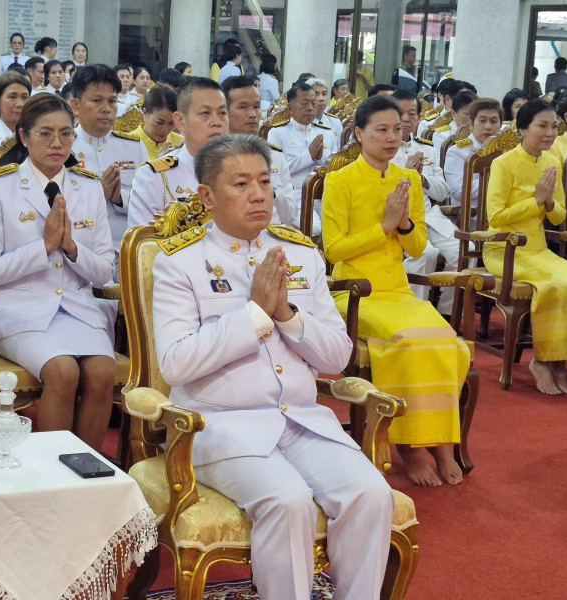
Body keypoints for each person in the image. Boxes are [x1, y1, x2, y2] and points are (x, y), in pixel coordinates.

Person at [152, 133, 393, 600]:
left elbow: (337, 358)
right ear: (207, 196)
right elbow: (176, 363)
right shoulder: (180, 263)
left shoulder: (300, 255)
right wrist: (257, 315)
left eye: (264, 181)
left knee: (371, 494)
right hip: (221, 425)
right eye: (241, 184)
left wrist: (287, 315)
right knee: (288, 501)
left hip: (302, 420)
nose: (259, 194)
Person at [323, 95, 471, 487]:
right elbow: (333, 250)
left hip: (398, 292)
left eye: (397, 129)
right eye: (382, 130)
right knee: (407, 340)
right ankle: (409, 445)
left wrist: (403, 225)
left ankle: (440, 440)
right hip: (356, 292)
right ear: (359, 134)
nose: (392, 138)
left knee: (446, 339)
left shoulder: (408, 180)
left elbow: (419, 248)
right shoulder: (340, 180)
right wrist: (385, 225)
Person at [0, 93, 115, 448]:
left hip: (78, 310)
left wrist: (71, 248)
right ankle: (51, 468)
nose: (57, 143)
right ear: (24, 137)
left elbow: (103, 272)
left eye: (66, 134)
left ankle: (88, 466)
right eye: (46, 134)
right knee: (62, 371)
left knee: (102, 372)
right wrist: (44, 247)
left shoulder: (88, 187)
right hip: (20, 311)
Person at [484, 99, 567, 394]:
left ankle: (560, 362)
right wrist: (535, 201)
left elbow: (558, 216)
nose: (550, 133)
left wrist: (548, 201)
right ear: (522, 129)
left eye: (554, 126)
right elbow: (496, 217)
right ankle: (541, 361)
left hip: (538, 249)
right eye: (542, 126)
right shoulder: (503, 163)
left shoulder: (550, 162)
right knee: (552, 285)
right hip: (505, 249)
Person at [390, 89, 457, 316]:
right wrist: (408, 175)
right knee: (425, 254)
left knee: (463, 250)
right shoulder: (384, 148)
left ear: (419, 117)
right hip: (400, 217)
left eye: (412, 114)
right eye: (400, 113)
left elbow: (443, 190)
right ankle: (412, 313)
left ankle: (445, 313)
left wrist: (422, 179)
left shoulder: (426, 148)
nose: (406, 119)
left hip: (429, 215)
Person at [127, 77, 225, 229]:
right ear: (180, 121)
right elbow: (144, 242)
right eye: (205, 113)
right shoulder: (153, 177)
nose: (217, 122)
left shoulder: (247, 172)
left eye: (222, 113)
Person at [71, 65, 148, 257]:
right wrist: (98, 195)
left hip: (126, 252)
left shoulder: (134, 147)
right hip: (79, 252)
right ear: (76, 106)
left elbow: (149, 203)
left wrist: (119, 198)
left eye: (112, 101)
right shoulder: (62, 148)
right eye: (96, 101)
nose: (106, 109)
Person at [223, 75, 298, 226]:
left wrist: (269, 189)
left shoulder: (274, 156)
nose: (252, 114)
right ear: (224, 112)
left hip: (271, 233)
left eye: (256, 107)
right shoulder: (213, 157)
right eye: (243, 107)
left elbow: (290, 216)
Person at [268, 83, 337, 235]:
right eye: (305, 103)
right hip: (295, 196)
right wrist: (308, 156)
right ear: (290, 109)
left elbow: (335, 167)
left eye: (313, 103)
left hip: (324, 195)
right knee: (315, 229)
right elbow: (277, 172)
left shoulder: (326, 133)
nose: (310, 108)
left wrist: (320, 157)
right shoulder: (277, 133)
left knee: (337, 228)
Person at [444, 98, 503, 210]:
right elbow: (458, 191)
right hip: (470, 216)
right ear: (471, 124)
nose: (488, 127)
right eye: (482, 121)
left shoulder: (506, 151)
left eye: (493, 121)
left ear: (500, 125)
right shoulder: (457, 151)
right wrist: (499, 180)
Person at [130, 85, 184, 159]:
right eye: (159, 123)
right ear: (145, 113)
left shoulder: (181, 143)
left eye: (171, 123)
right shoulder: (129, 143)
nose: (165, 130)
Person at [431, 89, 478, 158]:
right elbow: (440, 163)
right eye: (468, 114)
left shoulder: (481, 133)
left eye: (476, 115)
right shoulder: (442, 135)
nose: (472, 118)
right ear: (453, 114)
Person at [306, 77, 343, 142]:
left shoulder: (334, 122)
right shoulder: (300, 122)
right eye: (316, 94)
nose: (321, 99)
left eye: (324, 94)